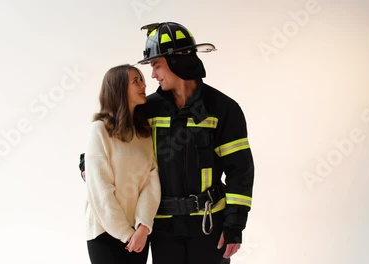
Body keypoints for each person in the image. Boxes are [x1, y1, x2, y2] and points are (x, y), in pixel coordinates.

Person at [136, 22, 255, 264]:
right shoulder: (147, 109)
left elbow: (240, 171)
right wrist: (91, 159)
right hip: (163, 229)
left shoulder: (223, 108)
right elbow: (114, 138)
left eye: (156, 65)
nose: (153, 75)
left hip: (208, 226)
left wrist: (234, 225)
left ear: (176, 61)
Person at [83, 64, 161, 264]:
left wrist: (143, 226)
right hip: (105, 234)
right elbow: (100, 191)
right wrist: (125, 233)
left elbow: (151, 183)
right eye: (136, 81)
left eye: (141, 79)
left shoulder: (144, 133)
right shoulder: (99, 130)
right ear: (118, 89)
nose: (144, 85)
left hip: (138, 235)